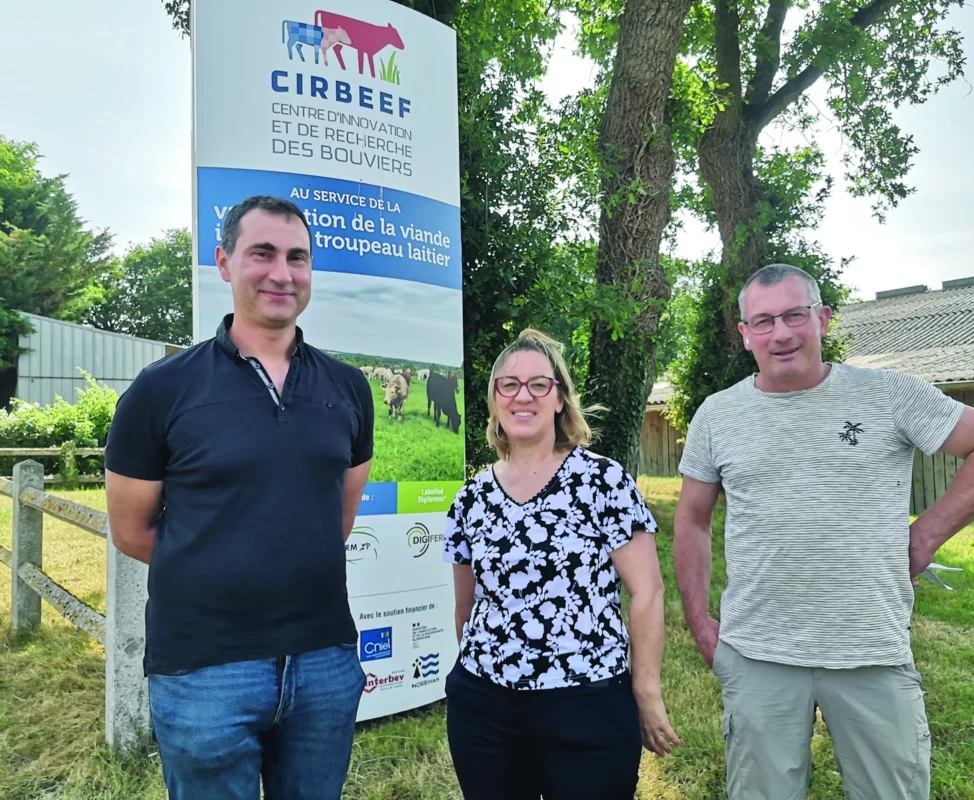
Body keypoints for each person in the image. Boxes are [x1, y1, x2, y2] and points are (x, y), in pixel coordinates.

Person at [673, 264, 974, 800]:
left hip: (871, 648)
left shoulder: (890, 394)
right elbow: (692, 518)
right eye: (764, 321)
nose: (783, 333)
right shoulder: (717, 415)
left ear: (823, 318)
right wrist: (700, 621)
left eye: (795, 315)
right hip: (758, 651)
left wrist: (924, 537)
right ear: (745, 335)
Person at [105, 195, 375, 799]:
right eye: (263, 254)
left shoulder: (349, 388)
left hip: (324, 662)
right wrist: (221, 567)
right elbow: (131, 531)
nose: (282, 273)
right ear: (225, 263)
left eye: (297, 257)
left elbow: (338, 517)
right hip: (204, 671)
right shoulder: (161, 390)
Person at [442, 329, 680, 800]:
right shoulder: (471, 497)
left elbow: (648, 591)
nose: (522, 396)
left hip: (587, 703)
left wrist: (646, 691)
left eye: (538, 384)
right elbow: (466, 610)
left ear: (560, 399)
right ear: (494, 401)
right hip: (485, 710)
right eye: (508, 385)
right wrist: (485, 678)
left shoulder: (603, 481)